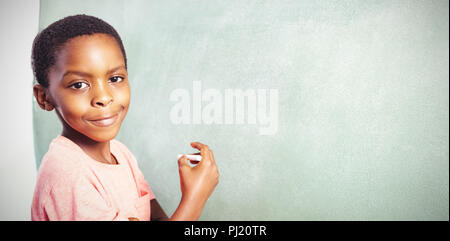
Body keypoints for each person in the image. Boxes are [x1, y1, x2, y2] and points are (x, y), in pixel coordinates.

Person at [30, 14, 219, 221]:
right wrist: (195, 197)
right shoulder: (66, 177)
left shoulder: (120, 153)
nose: (103, 98)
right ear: (44, 97)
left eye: (115, 78)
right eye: (79, 85)